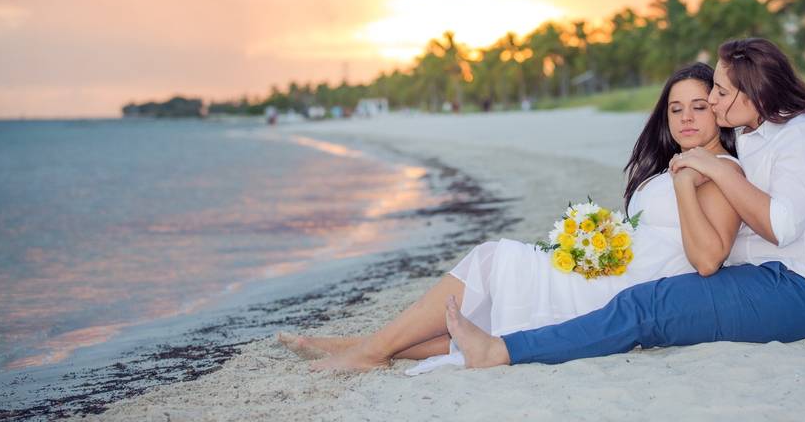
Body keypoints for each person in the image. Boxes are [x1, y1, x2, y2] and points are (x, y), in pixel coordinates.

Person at [277, 62, 745, 372]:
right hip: (612, 270)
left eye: (699, 107)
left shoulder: (722, 171)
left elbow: (707, 260)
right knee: (497, 308)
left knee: (493, 259)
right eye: (675, 108)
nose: (685, 118)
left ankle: (372, 348)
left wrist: (687, 180)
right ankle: (367, 345)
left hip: (631, 290)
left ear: (720, 110)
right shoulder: (679, 163)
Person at [444, 37, 805, 368]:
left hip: (796, 288)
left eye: (721, 93)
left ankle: (500, 351)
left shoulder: (802, 134)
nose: (715, 102)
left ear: (753, 91)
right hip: (754, 279)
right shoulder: (752, 136)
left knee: (644, 306)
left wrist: (713, 169)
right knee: (632, 300)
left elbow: (784, 224)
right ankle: (480, 343)